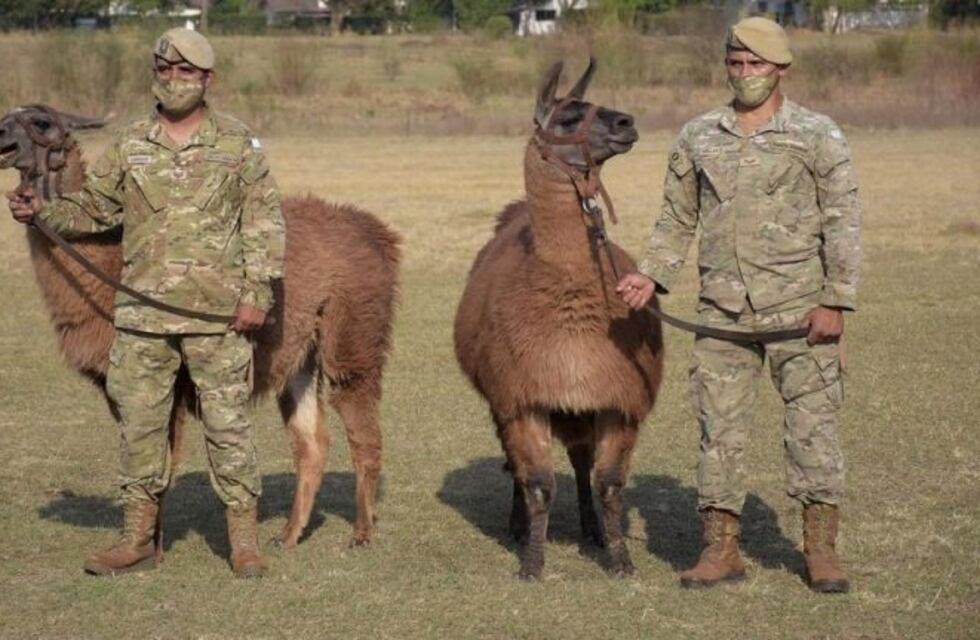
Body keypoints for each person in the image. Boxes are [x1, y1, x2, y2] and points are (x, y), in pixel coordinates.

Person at [7, 28, 286, 578]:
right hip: (142, 318)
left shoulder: (237, 143)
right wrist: (40, 211)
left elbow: (264, 223)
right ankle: (136, 540)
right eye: (165, 70)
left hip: (216, 318)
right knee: (140, 429)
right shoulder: (131, 143)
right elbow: (94, 209)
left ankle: (244, 542)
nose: (174, 80)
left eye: (186, 72)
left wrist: (257, 294)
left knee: (228, 429)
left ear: (207, 79)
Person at [616, 17, 861, 593]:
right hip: (721, 314)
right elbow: (678, 216)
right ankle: (720, 550)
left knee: (813, 432)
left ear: (781, 69)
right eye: (736, 63)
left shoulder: (817, 134)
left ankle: (821, 551)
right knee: (718, 433)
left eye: (757, 64)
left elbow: (842, 219)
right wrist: (651, 274)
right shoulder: (699, 135)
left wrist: (836, 301)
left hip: (800, 312)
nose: (745, 74)